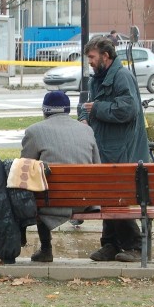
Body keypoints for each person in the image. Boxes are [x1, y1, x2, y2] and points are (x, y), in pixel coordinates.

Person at [78, 36, 149, 263]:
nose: (89, 61)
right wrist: (83, 117)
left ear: (105, 56)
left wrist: (97, 109)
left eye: (91, 57)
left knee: (116, 198)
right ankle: (110, 244)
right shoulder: (97, 79)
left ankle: (136, 246)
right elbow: (87, 106)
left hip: (122, 149)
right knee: (107, 196)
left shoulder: (122, 76)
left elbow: (128, 110)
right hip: (105, 148)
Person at [20, 91, 100, 262]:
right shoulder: (87, 130)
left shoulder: (34, 131)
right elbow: (97, 166)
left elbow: (24, 168)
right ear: (67, 110)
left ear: (45, 110)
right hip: (83, 202)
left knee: (37, 191)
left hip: (50, 203)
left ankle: (46, 249)